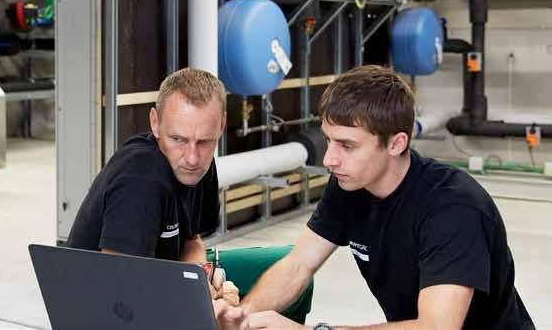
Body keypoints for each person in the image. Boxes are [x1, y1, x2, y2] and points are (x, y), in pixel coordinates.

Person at [216, 65, 533, 330]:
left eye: (347, 146)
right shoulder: (349, 185)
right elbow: (298, 265)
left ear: (396, 144)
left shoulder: (454, 207)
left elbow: (438, 327)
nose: (329, 159)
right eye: (329, 141)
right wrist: (241, 316)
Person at [66, 68, 238, 301]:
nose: (192, 158)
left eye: (204, 141)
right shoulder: (141, 179)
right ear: (155, 123)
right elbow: (119, 290)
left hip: (157, 281)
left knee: (276, 262)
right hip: (101, 302)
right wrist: (199, 303)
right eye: (178, 139)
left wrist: (201, 278)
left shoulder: (200, 165)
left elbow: (191, 240)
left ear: (221, 125)